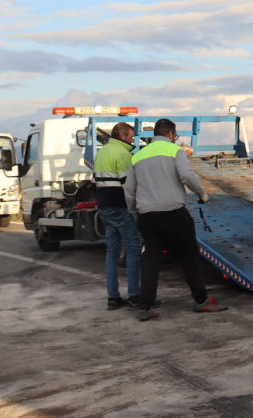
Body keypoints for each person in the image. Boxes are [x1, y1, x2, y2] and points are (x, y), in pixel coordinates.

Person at [124, 118, 227, 320]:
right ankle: (200, 301)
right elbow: (187, 175)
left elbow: (129, 191)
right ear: (171, 134)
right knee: (189, 256)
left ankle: (145, 307)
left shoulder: (137, 156)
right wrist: (203, 195)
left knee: (151, 260)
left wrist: (135, 213)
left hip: (147, 216)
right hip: (173, 214)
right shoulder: (175, 151)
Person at [93, 122, 144, 310]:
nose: (133, 140)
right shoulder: (122, 154)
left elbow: (94, 181)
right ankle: (134, 295)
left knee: (112, 252)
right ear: (122, 136)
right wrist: (135, 210)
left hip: (104, 205)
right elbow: (127, 186)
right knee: (133, 249)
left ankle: (113, 297)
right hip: (120, 206)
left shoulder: (102, 152)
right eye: (131, 137)